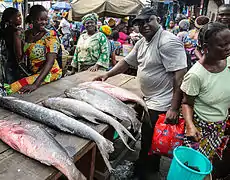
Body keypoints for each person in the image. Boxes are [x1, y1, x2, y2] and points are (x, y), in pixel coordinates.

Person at [94, 7, 187, 180]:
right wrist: (107, 74)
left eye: (148, 20)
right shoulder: (142, 42)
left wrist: (174, 107)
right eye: (140, 23)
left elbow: (180, 76)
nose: (144, 25)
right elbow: (127, 62)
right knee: (146, 137)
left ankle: (148, 173)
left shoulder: (167, 42)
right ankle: (142, 165)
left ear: (157, 19)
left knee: (152, 141)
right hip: (149, 99)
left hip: (162, 102)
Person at [181, 22, 230, 163]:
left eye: (229, 43)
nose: (228, 48)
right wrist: (190, 126)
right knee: (193, 166)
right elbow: (186, 103)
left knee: (208, 162)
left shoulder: (228, 62)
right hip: (199, 129)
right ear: (206, 48)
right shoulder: (196, 75)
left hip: (220, 125)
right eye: (222, 45)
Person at [7, 5, 62, 94]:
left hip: (51, 72)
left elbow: (50, 62)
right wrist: (16, 36)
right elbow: (19, 56)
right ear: (32, 19)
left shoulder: (50, 35)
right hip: (35, 73)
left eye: (45, 19)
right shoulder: (25, 35)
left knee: (13, 88)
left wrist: (35, 84)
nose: (43, 22)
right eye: (40, 19)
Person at [0, 7, 23, 85]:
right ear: (11, 19)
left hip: (5, 64)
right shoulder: (15, 31)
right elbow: (19, 53)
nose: (20, 19)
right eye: (18, 16)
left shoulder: (5, 30)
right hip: (13, 65)